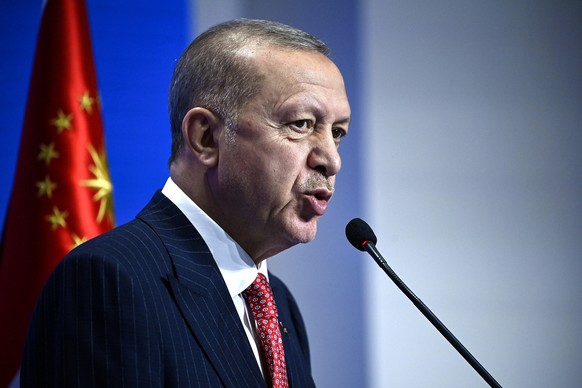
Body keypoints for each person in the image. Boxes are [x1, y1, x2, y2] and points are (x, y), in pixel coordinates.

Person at [21, 19, 351, 387]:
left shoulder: (278, 304)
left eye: (337, 132)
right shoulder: (109, 281)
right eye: (302, 124)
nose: (331, 160)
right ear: (206, 137)